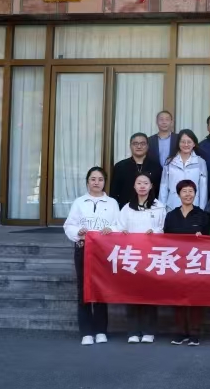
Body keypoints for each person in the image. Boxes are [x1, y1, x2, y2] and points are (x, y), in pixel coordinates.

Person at [63, 167, 120, 346]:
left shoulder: (112, 203)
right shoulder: (79, 202)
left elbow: (119, 224)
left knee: (101, 289)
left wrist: (111, 229)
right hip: (84, 249)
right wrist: (78, 232)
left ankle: (101, 330)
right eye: (93, 179)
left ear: (105, 182)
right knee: (84, 289)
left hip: (104, 252)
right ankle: (86, 331)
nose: (96, 182)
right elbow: (69, 225)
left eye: (100, 179)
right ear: (87, 182)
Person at [118, 172, 166, 344]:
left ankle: (148, 331)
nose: (142, 186)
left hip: (151, 256)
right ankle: (133, 331)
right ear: (134, 186)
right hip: (132, 256)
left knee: (150, 294)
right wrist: (122, 232)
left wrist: (156, 232)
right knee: (131, 294)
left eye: (146, 183)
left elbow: (163, 229)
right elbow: (119, 228)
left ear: (151, 186)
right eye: (139, 183)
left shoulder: (159, 207)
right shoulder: (126, 208)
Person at [163, 179, 210, 347]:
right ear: (178, 194)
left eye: (191, 191)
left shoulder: (202, 215)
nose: (188, 194)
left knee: (196, 299)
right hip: (176, 263)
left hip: (196, 263)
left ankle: (195, 333)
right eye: (184, 191)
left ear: (195, 194)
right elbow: (165, 239)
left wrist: (203, 238)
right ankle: (180, 332)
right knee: (178, 298)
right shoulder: (171, 216)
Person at [159, 129, 209, 212]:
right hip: (172, 206)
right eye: (183, 142)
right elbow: (163, 187)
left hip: (194, 207)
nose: (186, 144)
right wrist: (161, 209)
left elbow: (203, 189)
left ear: (194, 144)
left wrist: (201, 211)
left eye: (189, 142)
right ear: (178, 143)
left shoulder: (200, 162)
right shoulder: (169, 162)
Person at [110, 132, 162, 208]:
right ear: (130, 146)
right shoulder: (120, 166)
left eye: (142, 143)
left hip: (150, 209)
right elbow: (114, 192)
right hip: (125, 209)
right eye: (135, 143)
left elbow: (159, 191)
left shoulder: (156, 166)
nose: (139, 146)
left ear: (147, 146)